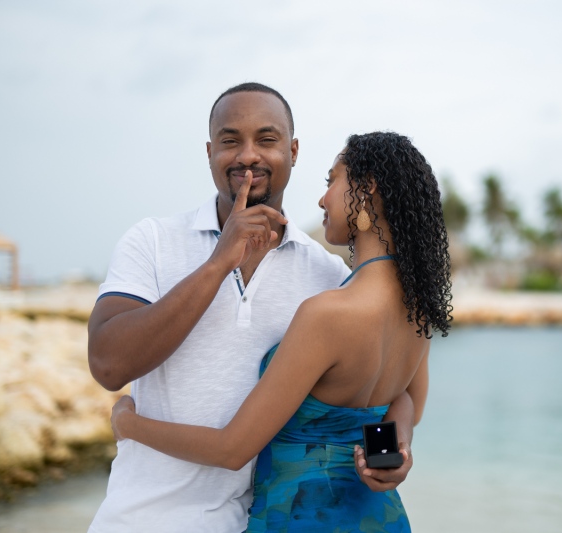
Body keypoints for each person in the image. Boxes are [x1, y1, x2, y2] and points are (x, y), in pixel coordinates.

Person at [87, 84, 417, 533]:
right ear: (209, 152)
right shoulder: (153, 241)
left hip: (255, 520)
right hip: (142, 518)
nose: (247, 155)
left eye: (266, 139)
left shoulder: (329, 277)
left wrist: (391, 451)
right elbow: (108, 365)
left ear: (293, 151)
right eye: (229, 141)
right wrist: (219, 263)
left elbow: (385, 391)